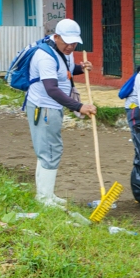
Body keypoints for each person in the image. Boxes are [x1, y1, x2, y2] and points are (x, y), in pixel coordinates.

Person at [25, 18, 97, 206]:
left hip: (52, 107)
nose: (70, 46)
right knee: (50, 150)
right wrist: (79, 106)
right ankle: (44, 198)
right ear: (56, 37)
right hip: (44, 107)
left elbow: (66, 70)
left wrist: (80, 68)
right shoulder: (45, 56)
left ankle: (45, 194)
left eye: (74, 43)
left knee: (47, 150)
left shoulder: (64, 52)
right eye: (66, 42)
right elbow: (52, 89)